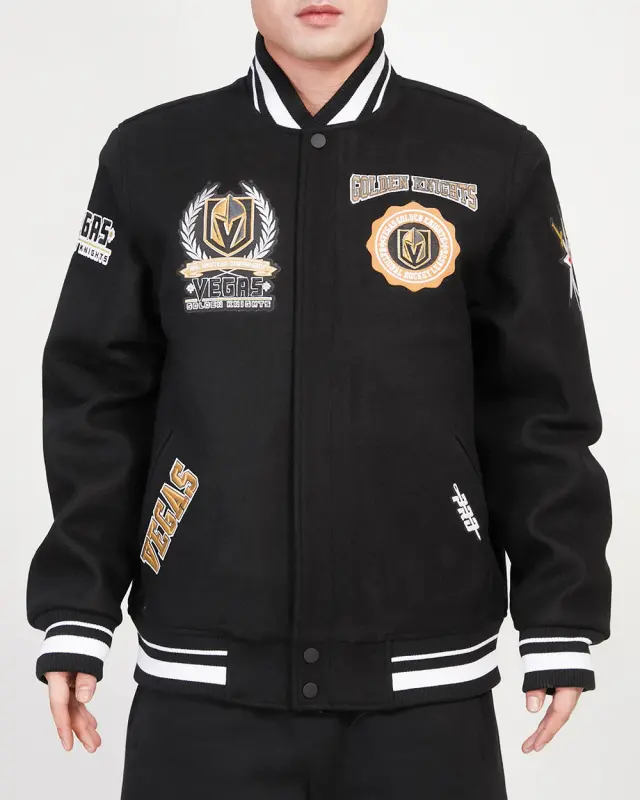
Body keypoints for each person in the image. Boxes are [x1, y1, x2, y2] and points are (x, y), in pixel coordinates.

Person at [27, 1, 612, 797]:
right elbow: (97, 395)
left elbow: (539, 409)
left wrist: (559, 614)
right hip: (203, 688)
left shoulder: (493, 158)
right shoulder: (151, 156)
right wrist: (78, 606)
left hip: (425, 693)